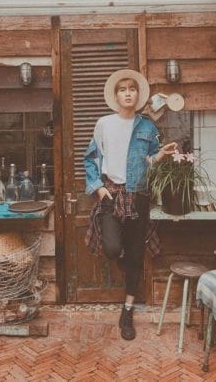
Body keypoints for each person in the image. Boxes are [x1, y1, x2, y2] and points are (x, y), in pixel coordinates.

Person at [84, 69, 177, 340]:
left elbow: (149, 162)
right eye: (123, 89)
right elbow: (90, 158)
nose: (128, 93)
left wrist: (160, 155)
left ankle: (127, 311)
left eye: (132, 89)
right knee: (113, 248)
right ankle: (126, 260)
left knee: (136, 255)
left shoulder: (147, 127)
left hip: (138, 196)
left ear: (138, 96)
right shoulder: (104, 124)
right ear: (116, 96)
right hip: (111, 195)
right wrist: (98, 188)